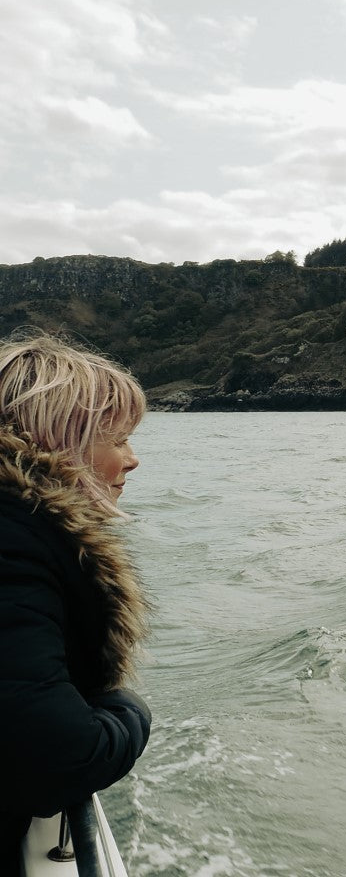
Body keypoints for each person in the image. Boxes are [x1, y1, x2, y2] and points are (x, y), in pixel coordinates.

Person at [0, 334, 152, 874]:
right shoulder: (13, 541)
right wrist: (129, 710)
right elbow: (58, 759)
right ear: (59, 440)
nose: (132, 461)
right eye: (118, 439)